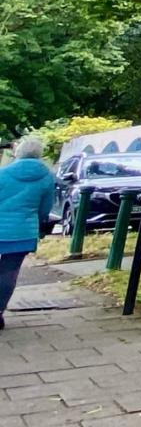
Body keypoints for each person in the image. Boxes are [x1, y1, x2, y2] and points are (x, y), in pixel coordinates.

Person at [0, 137, 55, 329]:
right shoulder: (47, 177)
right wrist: (40, 226)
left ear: (18, 152)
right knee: (9, 273)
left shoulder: (3, 173)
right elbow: (45, 209)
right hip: (23, 232)